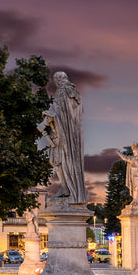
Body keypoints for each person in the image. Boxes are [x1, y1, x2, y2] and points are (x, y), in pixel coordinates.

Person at [38, 72, 87, 204]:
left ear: (58, 80)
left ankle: (66, 188)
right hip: (70, 133)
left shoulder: (62, 92)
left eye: (55, 80)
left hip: (62, 133)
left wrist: (46, 120)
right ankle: (66, 188)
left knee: (58, 160)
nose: (56, 83)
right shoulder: (75, 93)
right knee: (59, 161)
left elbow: (57, 112)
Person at [117, 143, 138, 208]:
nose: (134, 153)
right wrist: (119, 154)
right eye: (133, 152)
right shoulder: (132, 159)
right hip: (133, 177)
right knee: (134, 189)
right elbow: (125, 158)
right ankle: (135, 200)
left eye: (135, 151)